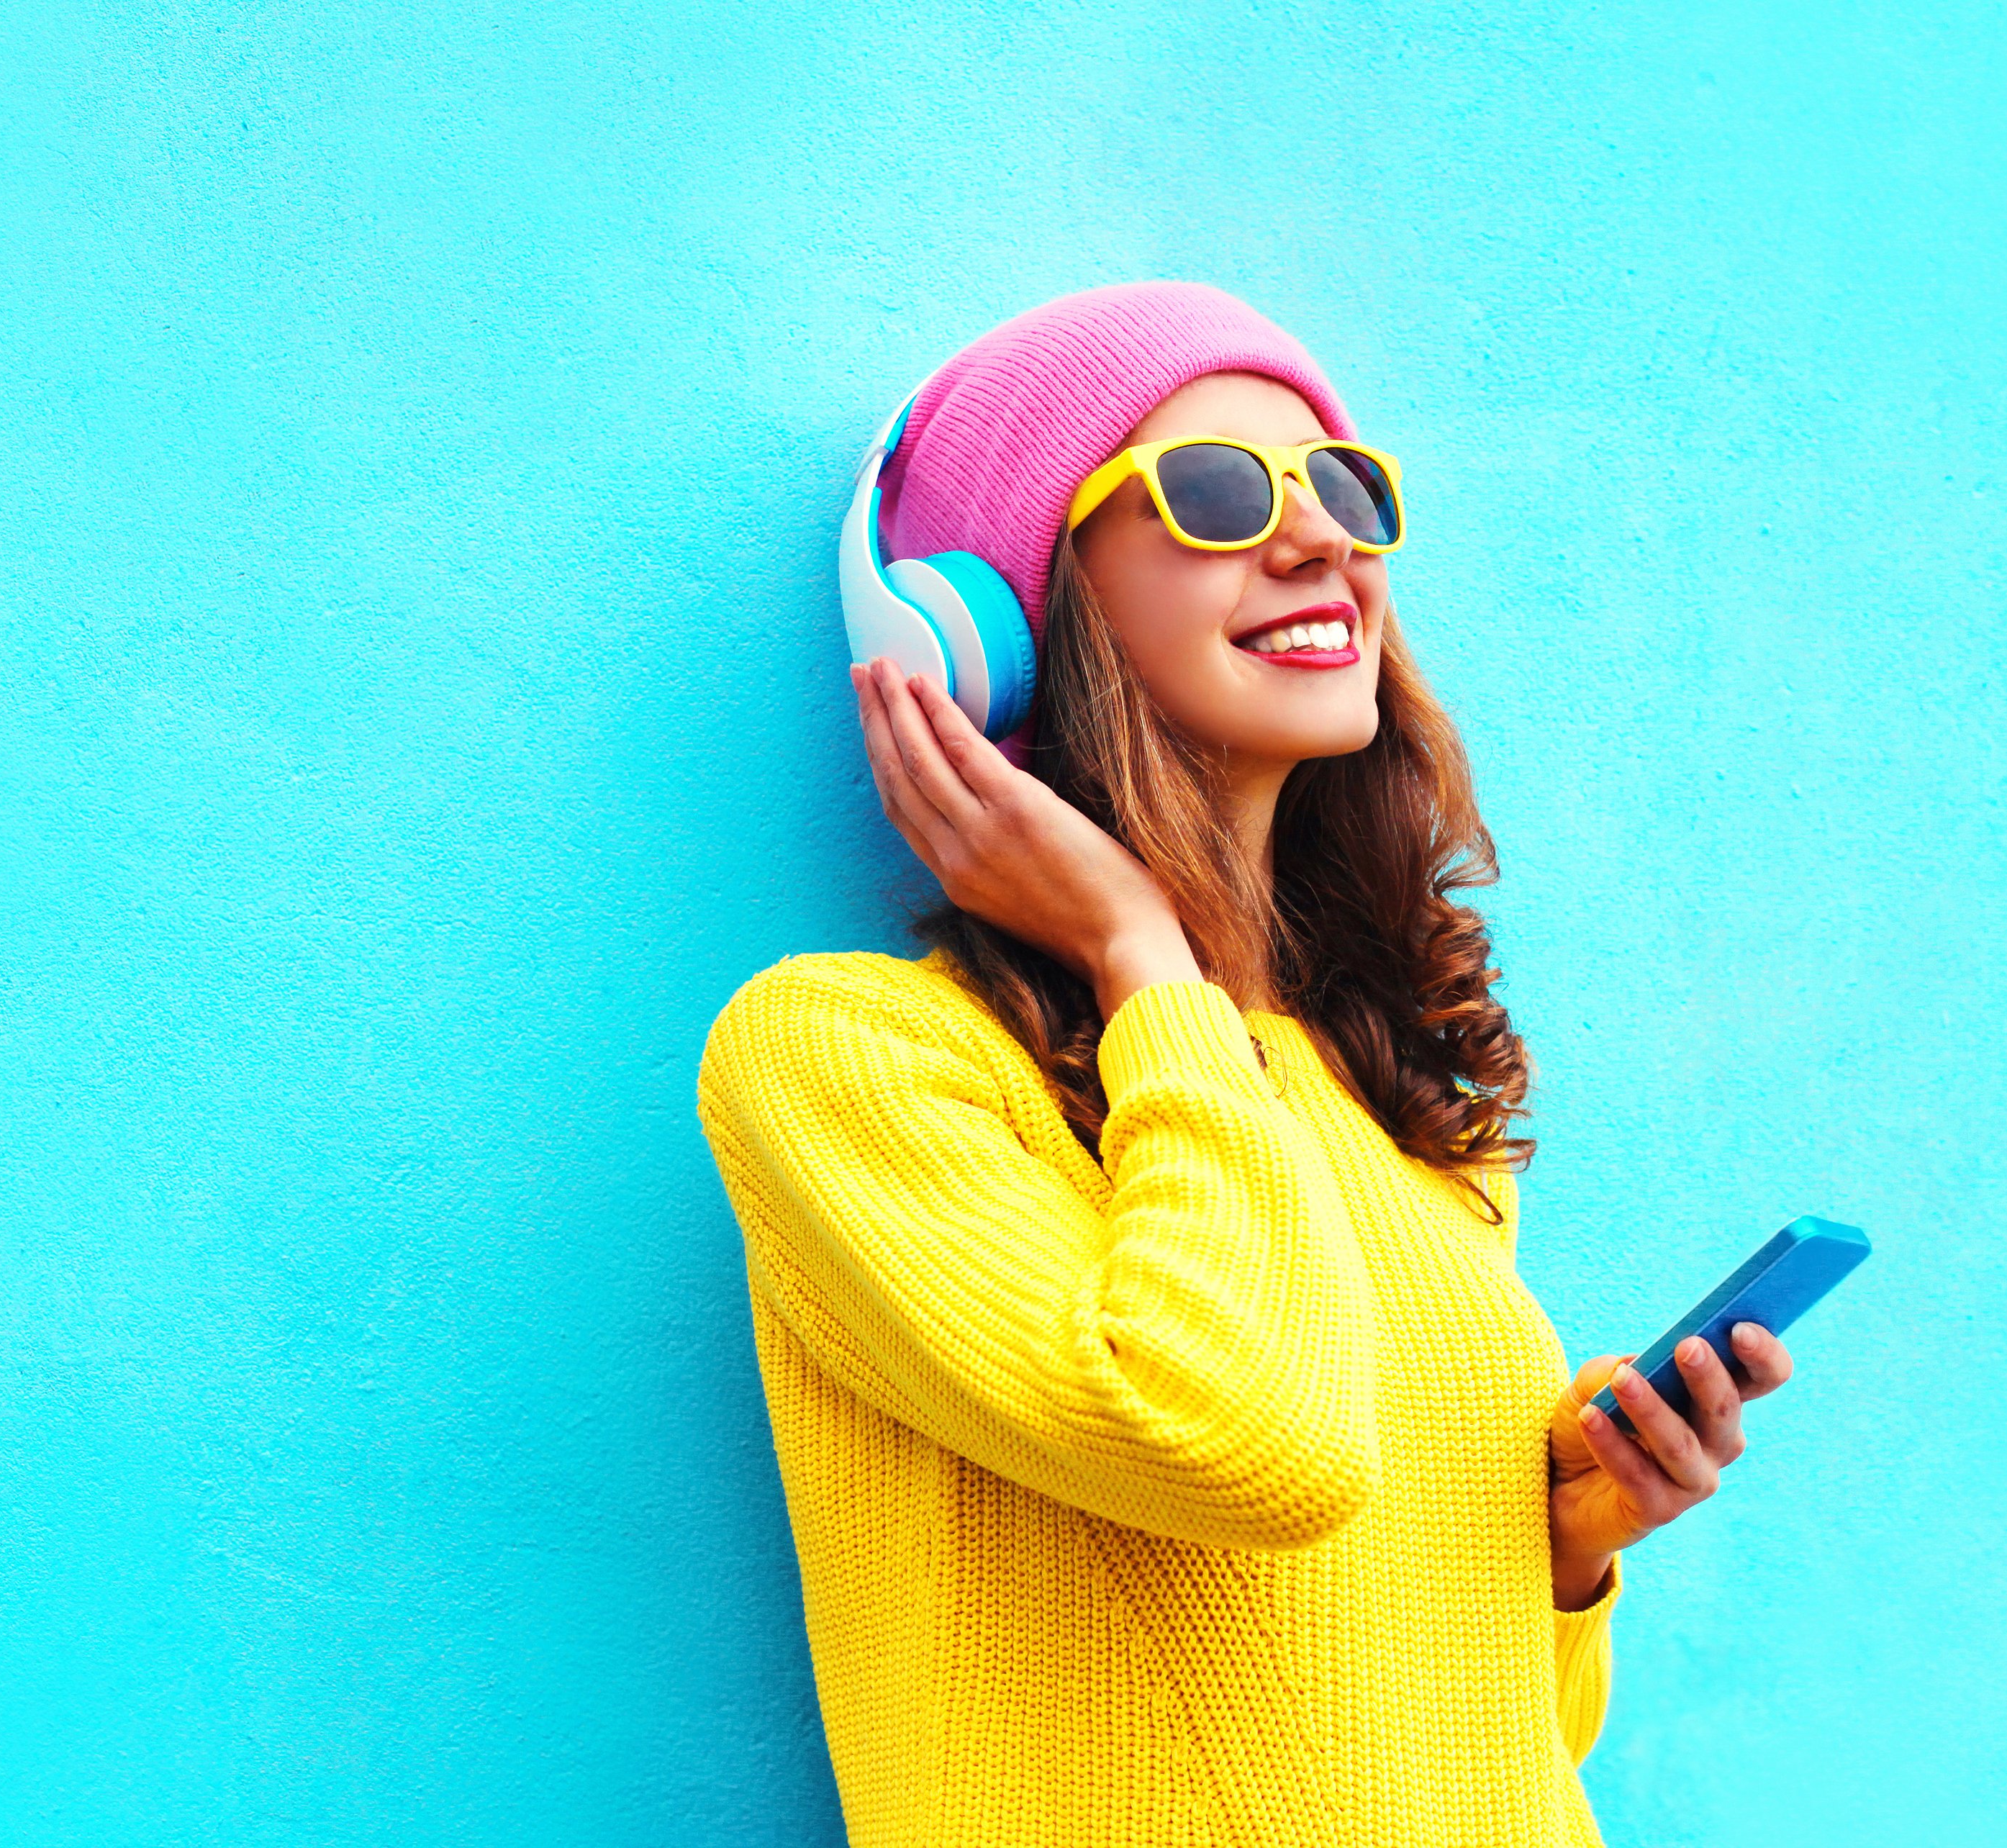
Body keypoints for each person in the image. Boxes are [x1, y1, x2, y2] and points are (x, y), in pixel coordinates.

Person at [694, 281, 1795, 1847]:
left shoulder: (1405, 1121)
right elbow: (1238, 1443)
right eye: (1217, 494)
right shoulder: (854, 1057)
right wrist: (1145, 954)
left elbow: (1507, 1750)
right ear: (994, 619)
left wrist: (1569, 1541)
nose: (1320, 539)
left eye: (1343, 488)